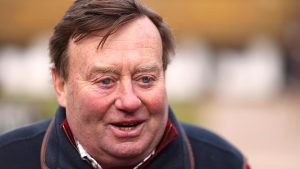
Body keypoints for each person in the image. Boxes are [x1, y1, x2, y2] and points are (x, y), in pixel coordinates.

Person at [0, 0, 250, 169]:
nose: (129, 101)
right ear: (61, 86)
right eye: (106, 81)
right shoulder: (8, 159)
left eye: (145, 79)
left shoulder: (223, 162)